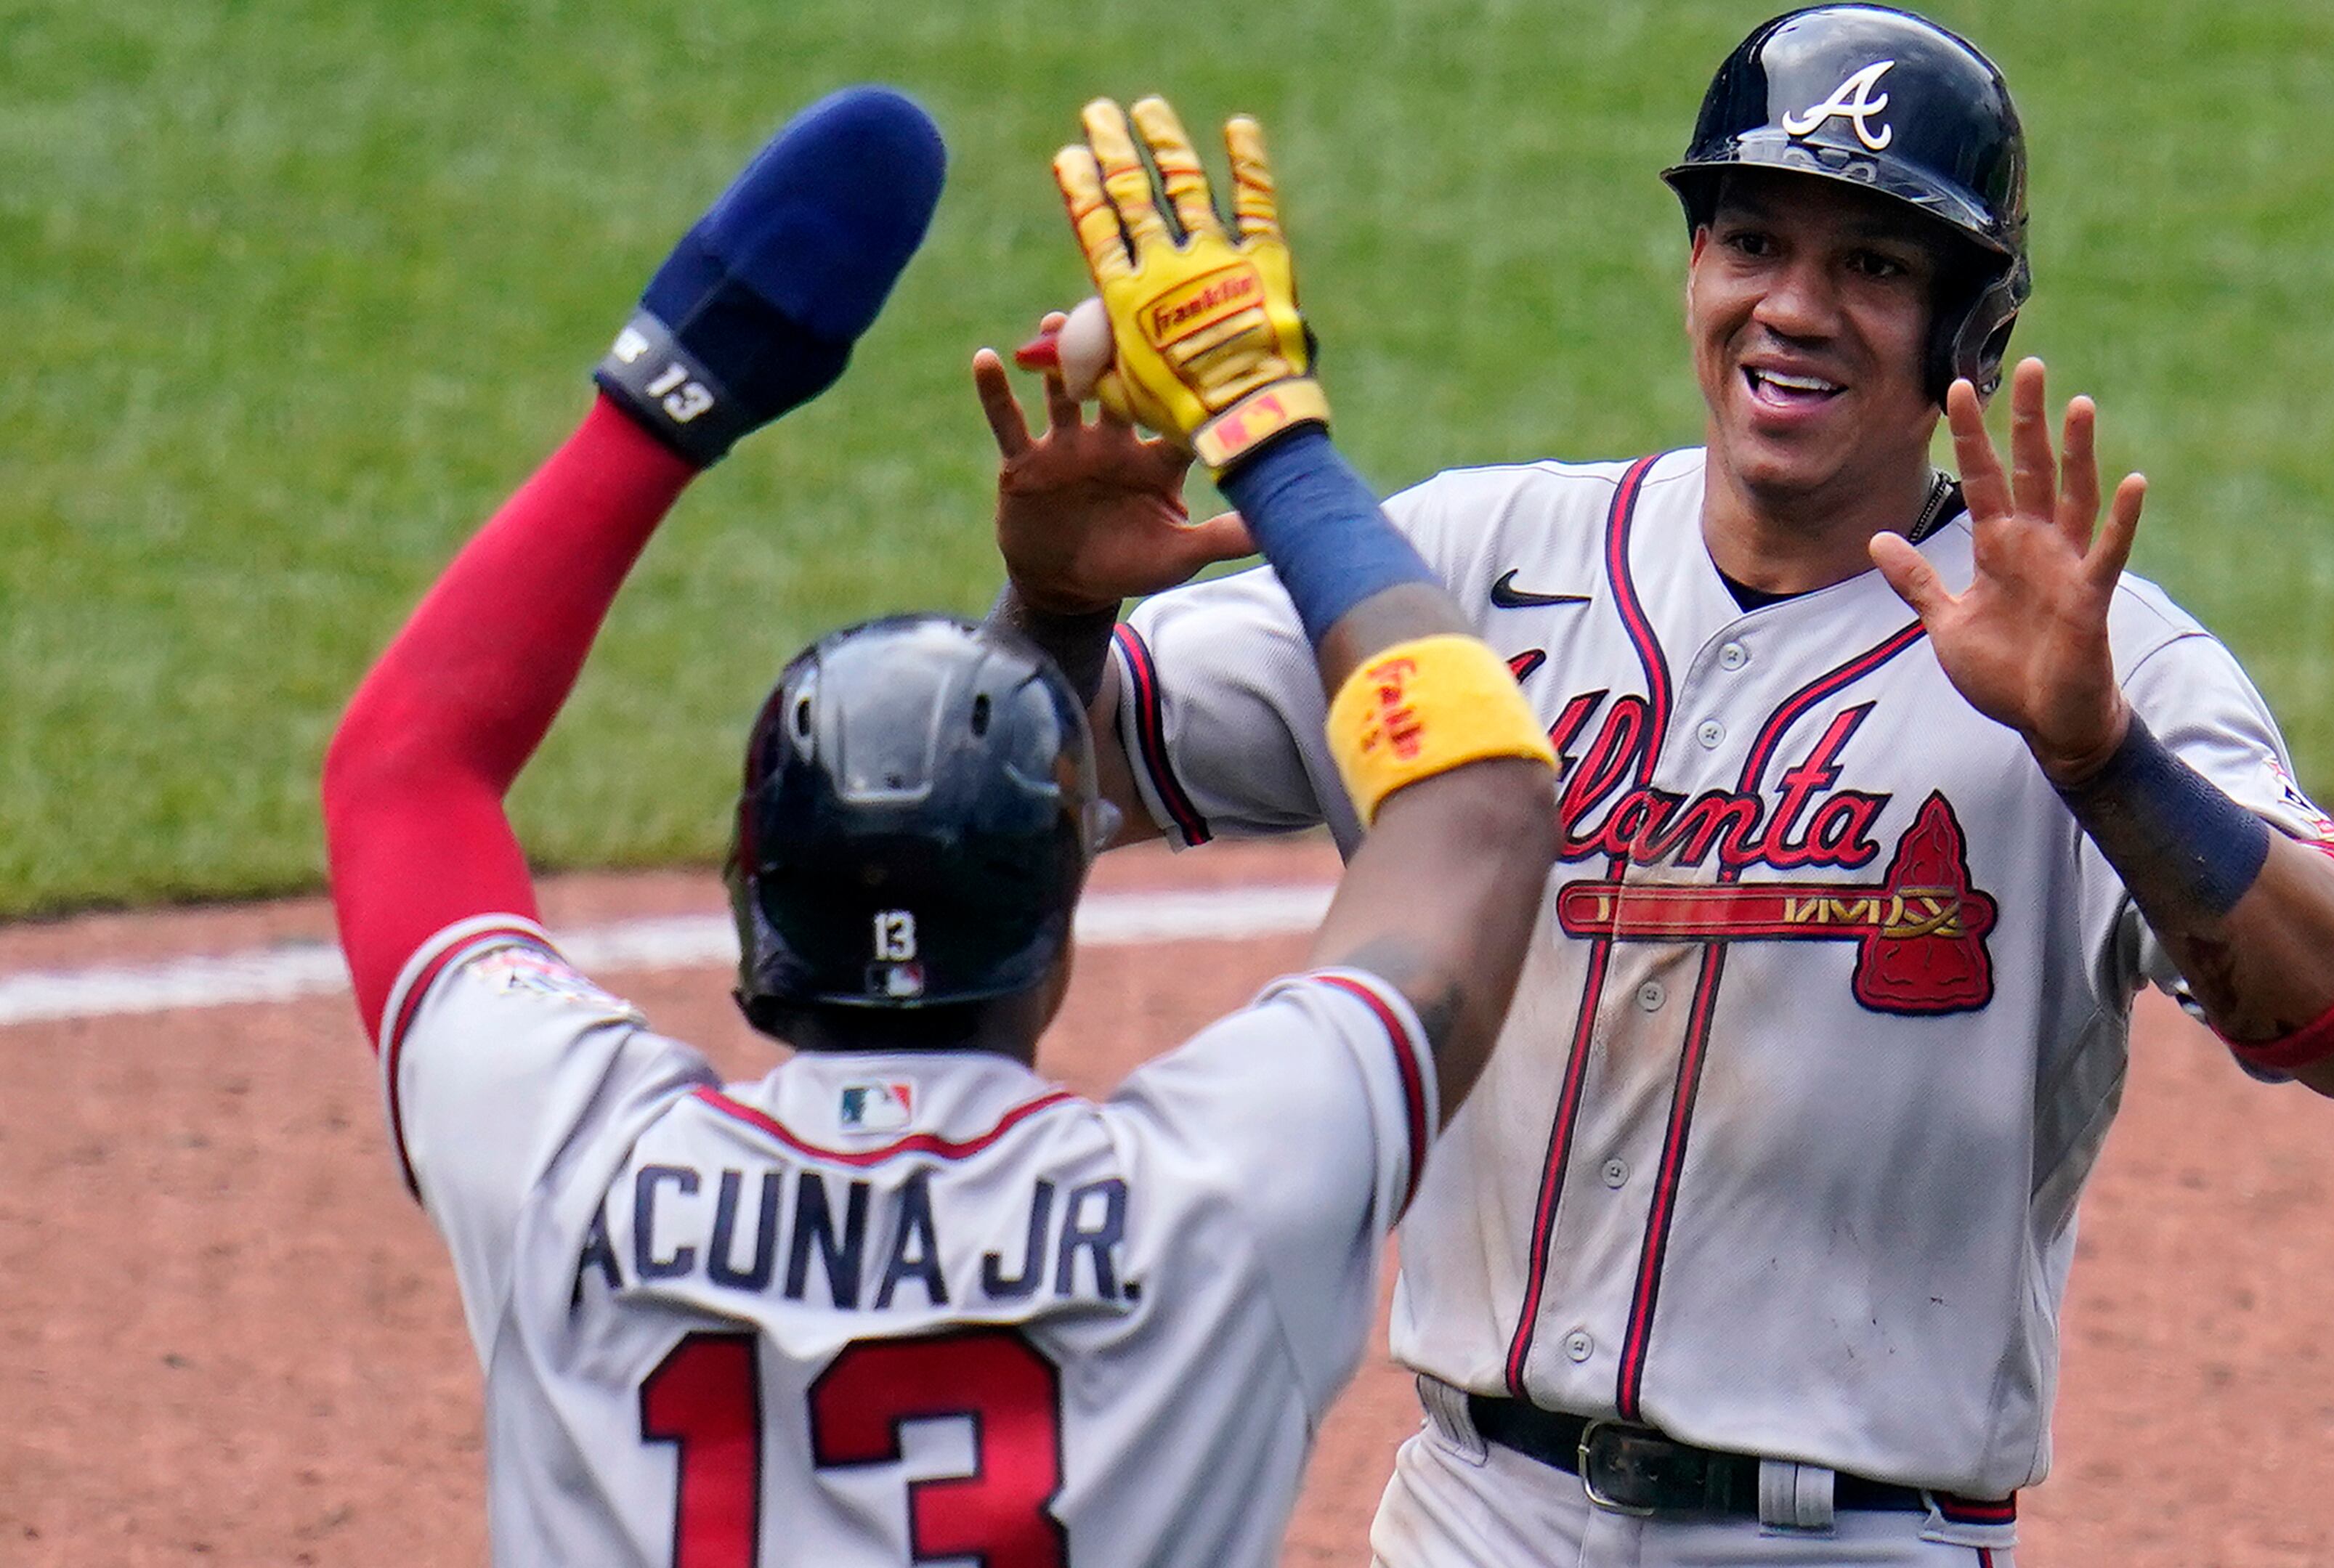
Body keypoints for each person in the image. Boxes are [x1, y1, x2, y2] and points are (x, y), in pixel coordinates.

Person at [981, 9, 2334, 1564]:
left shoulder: (2087, 649)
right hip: (1478, 1517)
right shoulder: (1479, 564)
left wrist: (2101, 756)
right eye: (1753, 241)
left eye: (1873, 267)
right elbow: (1011, 806)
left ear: (1969, 327)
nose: (1792, 310)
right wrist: (1054, 615)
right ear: (1694, 267)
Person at [323, 86, 1558, 1567]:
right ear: (1056, 926)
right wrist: (1265, 431)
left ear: (749, 902)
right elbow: (1479, 807)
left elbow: (405, 769)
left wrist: (674, 390)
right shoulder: (1216, 1200)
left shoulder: (567, 1168)